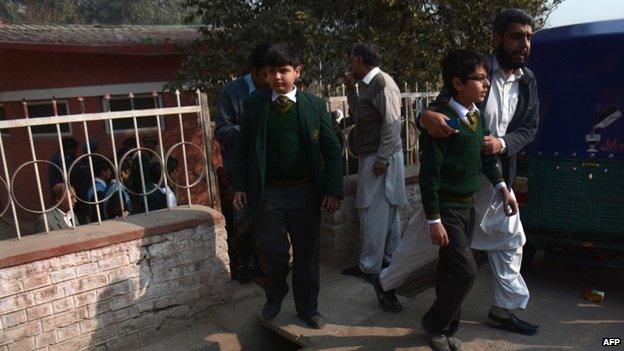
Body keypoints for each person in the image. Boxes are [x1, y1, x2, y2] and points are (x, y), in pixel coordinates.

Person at [418, 8, 540, 335]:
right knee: (421, 243)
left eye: (529, 37)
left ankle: (502, 310)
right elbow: (440, 109)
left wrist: (502, 145)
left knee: (511, 239)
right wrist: (422, 116)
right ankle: (387, 283)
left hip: (496, 171)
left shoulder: (527, 81)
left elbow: (529, 127)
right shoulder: (473, 69)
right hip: (456, 183)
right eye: (517, 36)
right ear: (497, 38)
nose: (524, 44)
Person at [232, 43, 343, 329]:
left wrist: (333, 189)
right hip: (268, 192)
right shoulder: (256, 106)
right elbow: (243, 149)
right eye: (272, 72)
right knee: (271, 250)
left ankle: (308, 308)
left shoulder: (314, 106)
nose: (278, 77)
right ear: (265, 75)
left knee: (307, 253)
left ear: (297, 71)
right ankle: (275, 292)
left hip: (305, 191)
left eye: (284, 71)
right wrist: (240, 185)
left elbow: (332, 150)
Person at [418, 49, 518, 351]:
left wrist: (502, 187)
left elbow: (487, 159)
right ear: (458, 83)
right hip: (447, 209)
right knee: (466, 270)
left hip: (467, 206)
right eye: (480, 79)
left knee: (450, 269)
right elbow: (429, 175)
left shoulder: (475, 117)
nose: (486, 84)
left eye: (487, 78)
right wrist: (433, 219)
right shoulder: (441, 121)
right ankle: (434, 322)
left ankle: (447, 329)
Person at [341, 43, 407, 281]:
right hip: (378, 155)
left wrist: (382, 158)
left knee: (373, 212)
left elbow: (391, 122)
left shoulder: (380, 83)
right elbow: (360, 113)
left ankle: (370, 267)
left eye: (352, 60)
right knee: (385, 214)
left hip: (380, 157)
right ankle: (388, 260)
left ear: (360, 60)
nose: (350, 65)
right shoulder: (368, 84)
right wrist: (350, 91)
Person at [215, 43, 272, 283]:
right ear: (254, 70)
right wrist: (250, 131)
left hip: (268, 170)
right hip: (241, 171)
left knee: (268, 221)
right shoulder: (233, 92)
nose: (271, 79)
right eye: (265, 74)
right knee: (245, 222)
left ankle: (266, 266)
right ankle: (246, 267)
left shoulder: (274, 92)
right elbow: (222, 131)